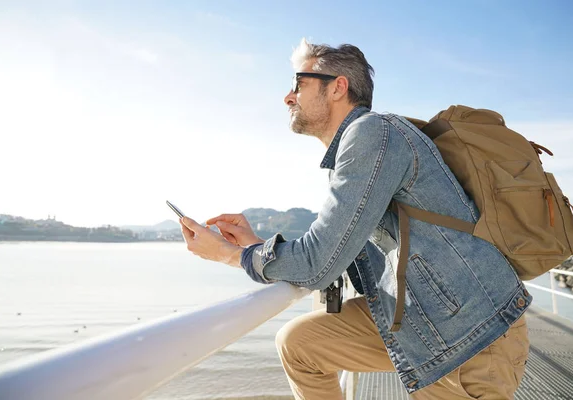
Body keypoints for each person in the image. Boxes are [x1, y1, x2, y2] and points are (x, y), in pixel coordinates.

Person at [180, 38, 531, 400]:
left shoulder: (372, 135)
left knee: (300, 342)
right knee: (300, 344)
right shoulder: (358, 148)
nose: (288, 97)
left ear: (338, 87)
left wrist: (229, 254)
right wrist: (255, 245)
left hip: (472, 338)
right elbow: (334, 246)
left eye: (298, 84)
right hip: (423, 321)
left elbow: (319, 260)